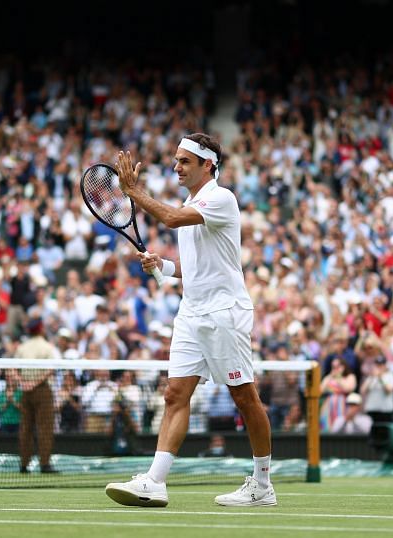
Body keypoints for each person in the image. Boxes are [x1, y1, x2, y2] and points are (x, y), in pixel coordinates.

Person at [105, 134, 275, 508]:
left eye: (185, 161)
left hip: (224, 314)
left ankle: (263, 484)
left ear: (207, 165)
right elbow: (195, 269)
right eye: (176, 160)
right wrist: (163, 266)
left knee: (244, 397)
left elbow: (169, 218)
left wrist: (134, 192)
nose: (177, 167)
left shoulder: (221, 198)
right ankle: (155, 481)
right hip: (191, 313)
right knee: (174, 394)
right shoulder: (192, 202)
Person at [15, 317, 60, 473]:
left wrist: (23, 383)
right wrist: (34, 383)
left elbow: (13, 368)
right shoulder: (47, 347)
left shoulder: (22, 347)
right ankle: (45, 464)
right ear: (41, 329)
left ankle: (24, 464)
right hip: (42, 390)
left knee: (25, 428)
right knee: (45, 428)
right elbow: (51, 369)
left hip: (25, 391)